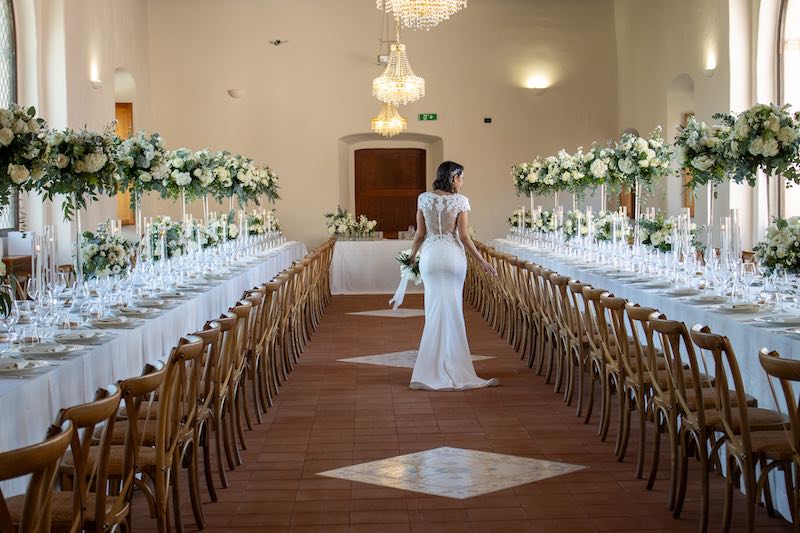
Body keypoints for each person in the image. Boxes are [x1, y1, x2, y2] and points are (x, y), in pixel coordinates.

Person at [406, 161, 499, 390]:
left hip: (431, 257)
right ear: (453, 177)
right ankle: (455, 366)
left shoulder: (424, 198)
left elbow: (419, 234)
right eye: (462, 178)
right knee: (453, 310)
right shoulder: (460, 201)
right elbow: (465, 237)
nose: (463, 182)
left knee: (434, 310)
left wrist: (412, 256)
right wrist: (482, 261)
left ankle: (428, 369)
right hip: (452, 257)